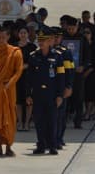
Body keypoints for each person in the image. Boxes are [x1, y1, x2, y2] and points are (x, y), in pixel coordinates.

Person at [26, 26, 65, 155]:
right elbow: (28, 78)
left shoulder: (57, 56)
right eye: (39, 39)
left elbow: (61, 77)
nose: (41, 42)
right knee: (39, 121)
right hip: (38, 94)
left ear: (49, 41)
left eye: (44, 40)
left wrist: (60, 95)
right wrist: (28, 94)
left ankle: (53, 145)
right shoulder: (33, 56)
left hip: (52, 94)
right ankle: (41, 145)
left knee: (52, 121)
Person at [0, 26, 23, 157]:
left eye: (3, 37)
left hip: (9, 90)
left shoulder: (15, 52)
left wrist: (9, 84)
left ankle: (8, 147)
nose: (0, 40)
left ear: (8, 37)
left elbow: (18, 72)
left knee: (9, 118)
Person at [63, 16, 90, 129]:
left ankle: (78, 121)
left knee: (78, 97)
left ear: (77, 27)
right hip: (65, 72)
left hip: (78, 73)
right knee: (65, 97)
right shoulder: (63, 38)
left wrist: (83, 66)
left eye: (73, 28)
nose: (71, 31)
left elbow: (88, 56)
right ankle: (63, 120)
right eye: (69, 28)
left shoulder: (82, 39)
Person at [50, 26, 74, 149]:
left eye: (58, 37)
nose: (55, 39)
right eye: (53, 37)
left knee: (60, 115)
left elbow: (69, 71)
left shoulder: (65, 52)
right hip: (49, 88)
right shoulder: (45, 51)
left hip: (61, 87)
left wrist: (69, 86)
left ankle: (58, 138)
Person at [15, 26, 37, 131]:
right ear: (18, 34)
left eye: (25, 33)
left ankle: (27, 122)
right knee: (18, 101)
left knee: (29, 100)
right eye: (21, 33)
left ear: (28, 34)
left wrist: (25, 66)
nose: (23, 35)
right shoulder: (14, 46)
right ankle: (19, 122)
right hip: (17, 77)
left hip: (28, 76)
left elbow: (34, 62)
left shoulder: (32, 47)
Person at [81, 27, 95, 120]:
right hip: (82, 72)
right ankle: (86, 111)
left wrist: (88, 71)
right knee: (84, 94)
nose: (86, 34)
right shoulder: (81, 45)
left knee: (90, 94)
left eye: (88, 32)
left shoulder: (94, 46)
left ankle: (88, 112)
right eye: (84, 32)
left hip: (92, 73)